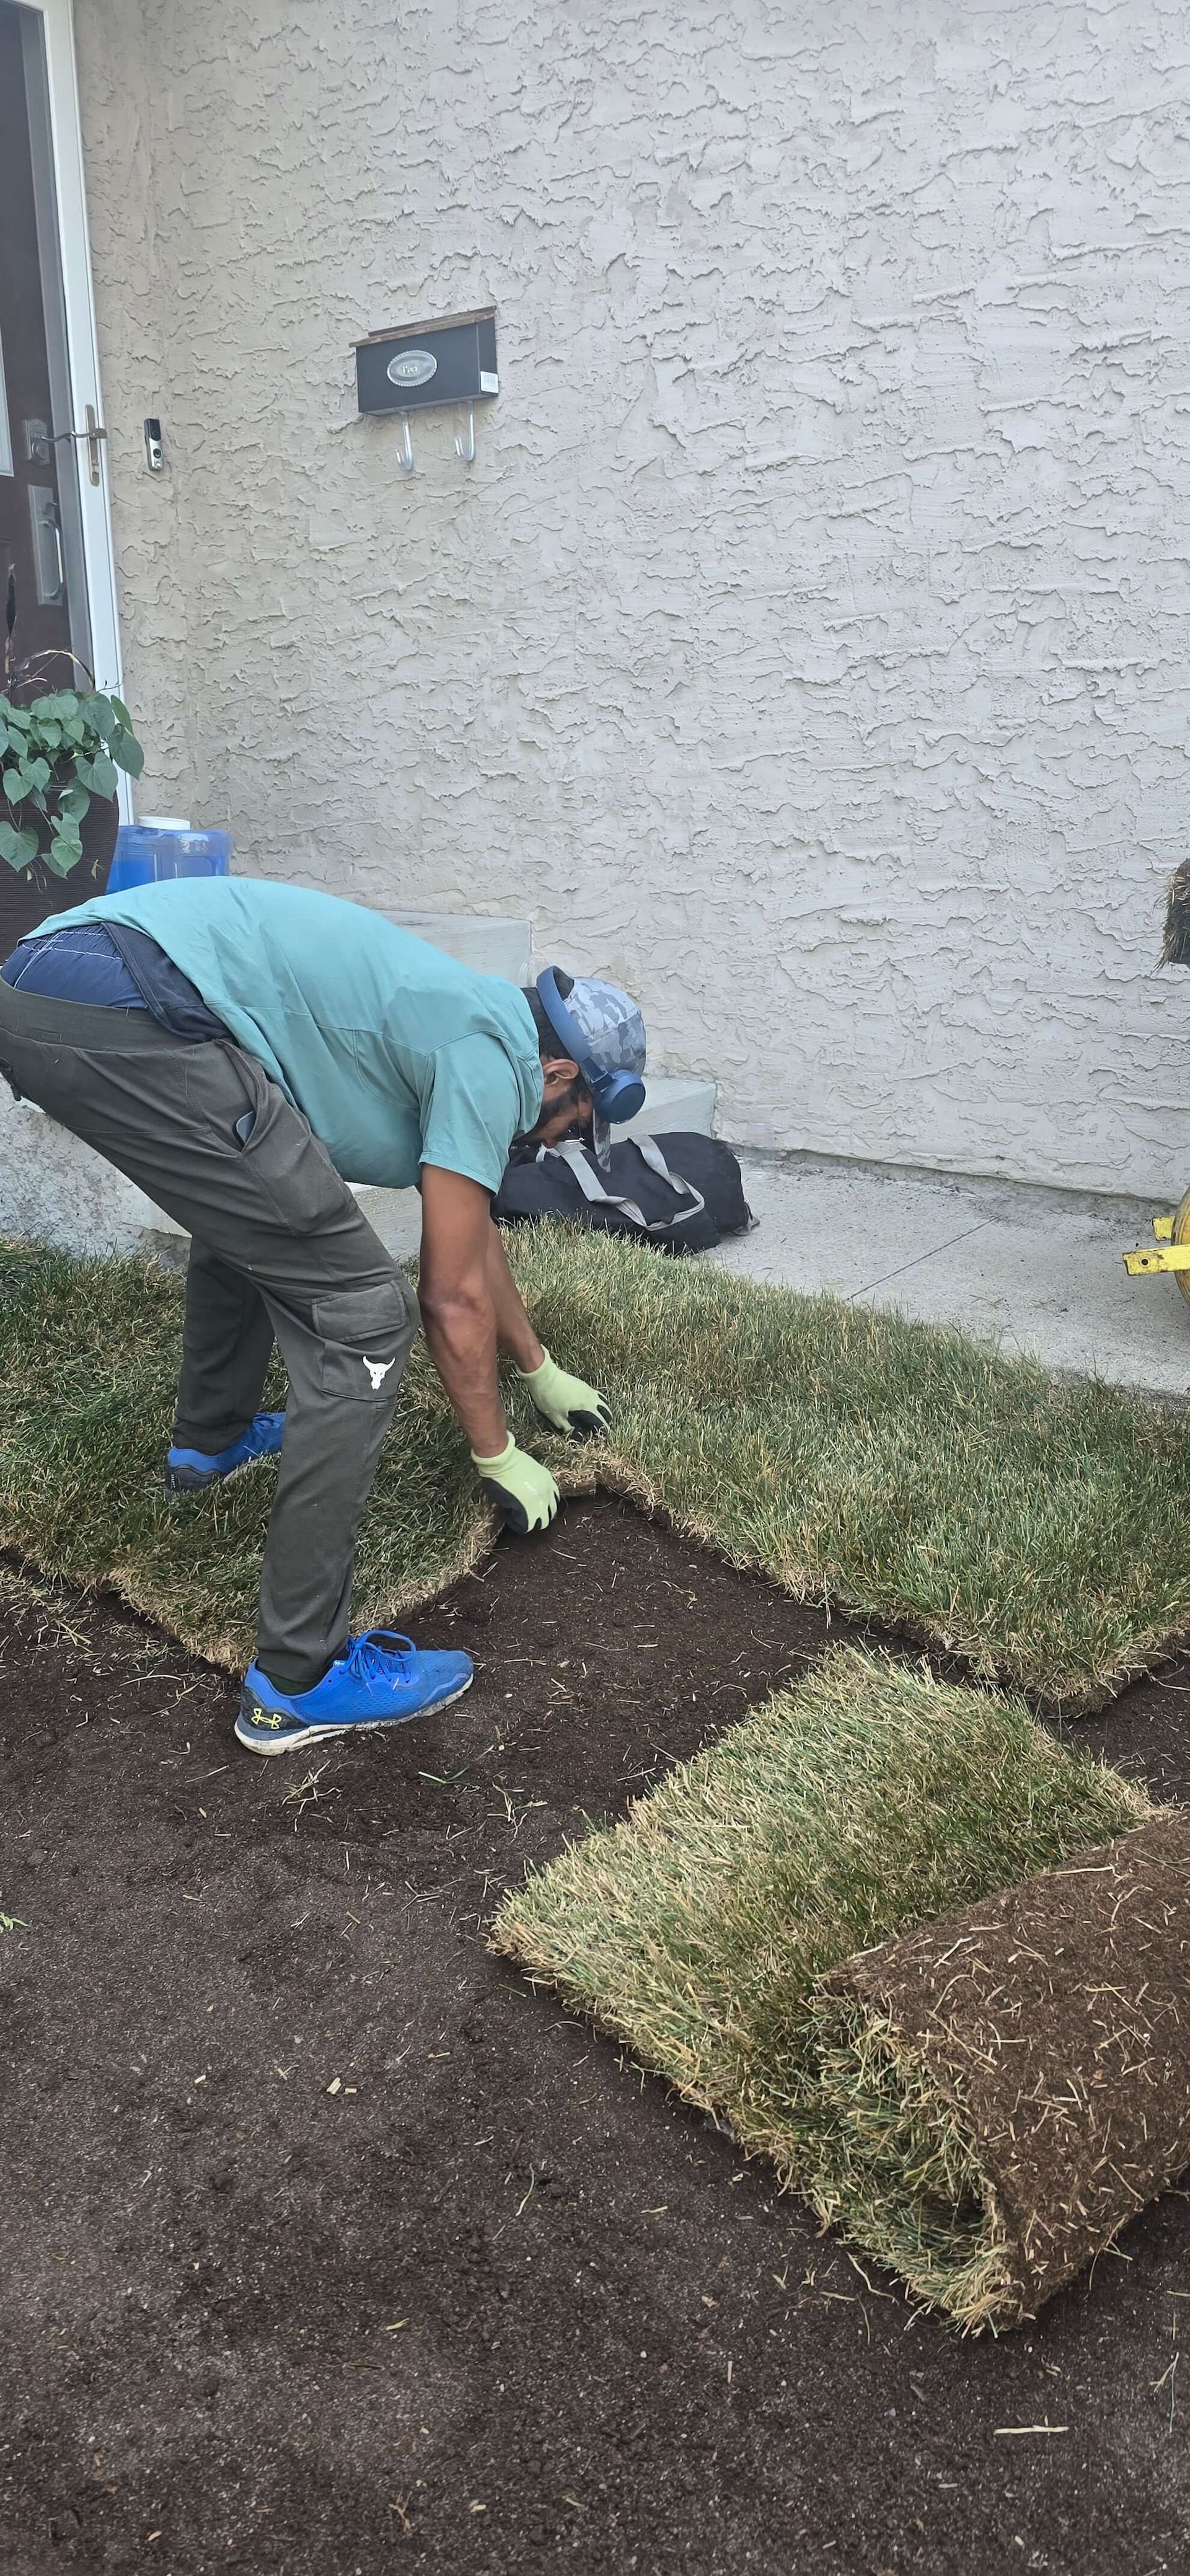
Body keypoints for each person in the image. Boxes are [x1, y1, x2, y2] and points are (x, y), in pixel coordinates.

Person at [0, 878, 647, 1756]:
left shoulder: (471, 1017)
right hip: (135, 1004)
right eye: (577, 1124)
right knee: (359, 1314)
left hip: (50, 977)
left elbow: (471, 1237)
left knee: (265, 1208)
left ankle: (212, 1441)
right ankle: (297, 1681)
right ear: (560, 1073)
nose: (561, 1142)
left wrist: (538, 1366)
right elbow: (446, 1295)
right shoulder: (491, 1061)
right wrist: (495, 1454)